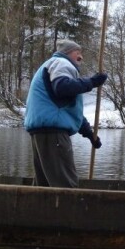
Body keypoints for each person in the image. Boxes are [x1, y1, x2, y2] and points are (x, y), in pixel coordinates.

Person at [24, 39, 108, 188]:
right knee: (65, 185)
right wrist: (92, 82)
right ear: (68, 53)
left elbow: (69, 110)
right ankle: (69, 211)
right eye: (78, 53)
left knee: (44, 185)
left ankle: (41, 211)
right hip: (53, 133)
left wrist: (90, 134)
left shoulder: (53, 66)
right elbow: (62, 87)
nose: (81, 57)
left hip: (42, 132)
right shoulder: (61, 63)